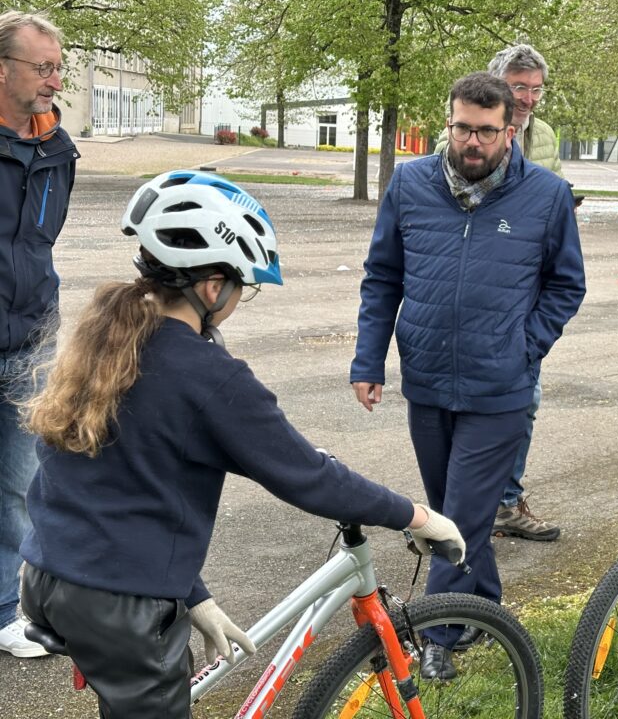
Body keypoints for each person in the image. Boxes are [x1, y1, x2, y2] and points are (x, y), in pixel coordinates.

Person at [17, 170, 464, 716]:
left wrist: (191, 593)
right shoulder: (209, 375)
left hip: (48, 573)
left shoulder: (109, 339)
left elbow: (114, 481)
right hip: (117, 601)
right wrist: (416, 516)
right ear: (213, 287)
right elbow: (309, 477)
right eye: (242, 287)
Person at [351, 72, 585, 677]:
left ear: (510, 132)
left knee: (457, 516)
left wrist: (524, 347)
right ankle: (486, 609)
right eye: (462, 128)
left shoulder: (547, 196)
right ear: (448, 124)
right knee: (457, 512)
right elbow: (383, 277)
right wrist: (369, 360)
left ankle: (440, 634)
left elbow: (566, 284)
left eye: (485, 131)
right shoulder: (410, 184)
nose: (472, 141)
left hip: (500, 389)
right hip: (427, 380)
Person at [436, 43, 564, 541]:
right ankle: (461, 506)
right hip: (476, 293)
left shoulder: (544, 136)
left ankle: (504, 502)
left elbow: (551, 201)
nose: (528, 98)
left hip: (524, 296)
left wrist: (532, 338)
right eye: (518, 87)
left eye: (535, 89)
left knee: (524, 401)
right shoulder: (463, 134)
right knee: (464, 408)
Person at [0, 10, 79, 659]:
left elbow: (40, 244)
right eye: (43, 68)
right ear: (3, 70)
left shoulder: (57, 150)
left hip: (30, 340)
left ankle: (8, 611)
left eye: (58, 68)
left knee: (21, 482)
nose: (55, 81)